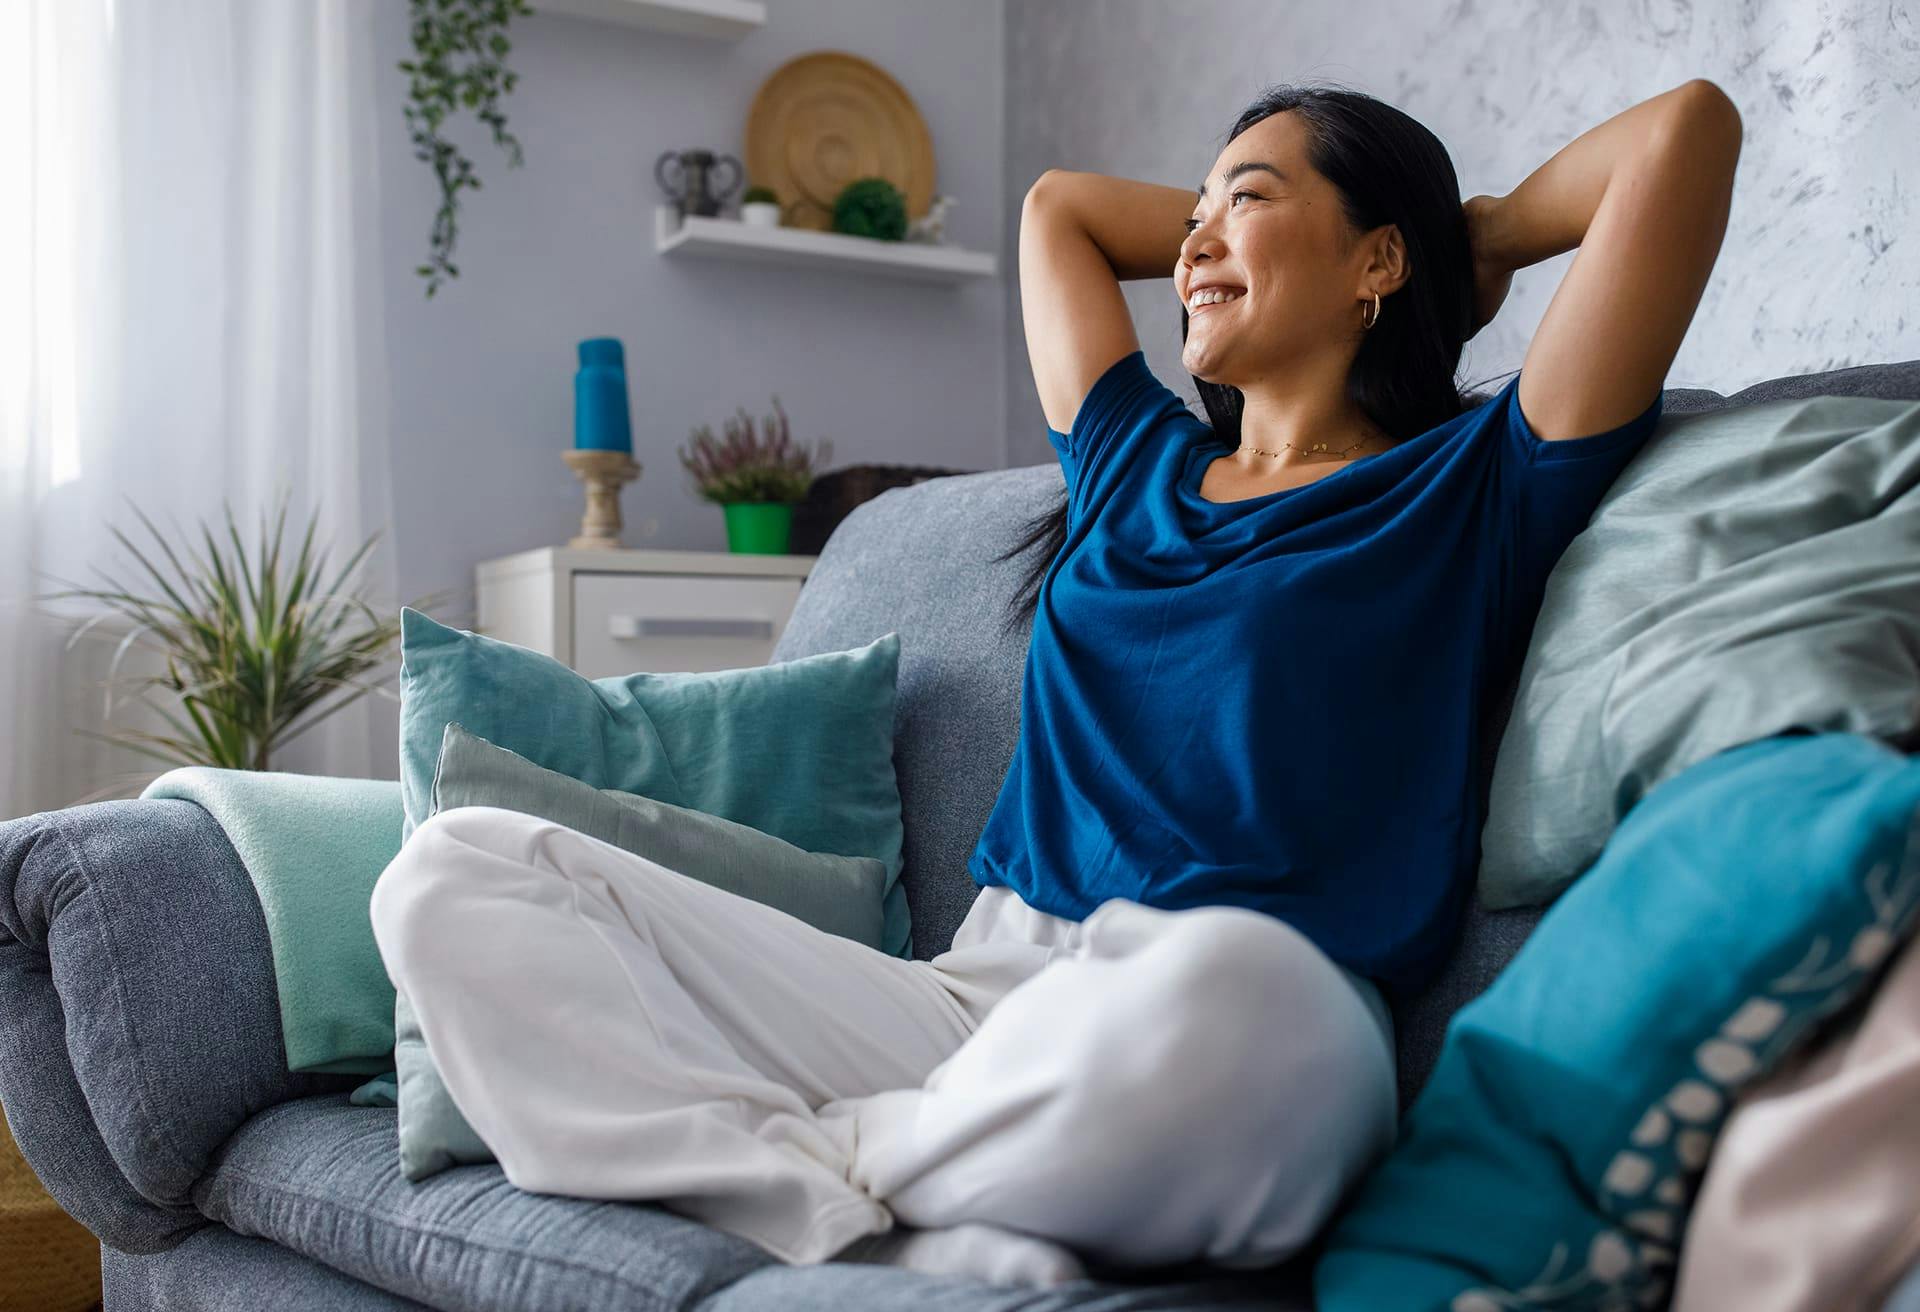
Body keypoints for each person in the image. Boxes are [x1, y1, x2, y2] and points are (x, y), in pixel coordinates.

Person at [370, 78, 1741, 1291]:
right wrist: (1246, 218)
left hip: (1245, 1002)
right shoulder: (1128, 464)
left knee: (1249, 1005)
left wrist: (1466, 234)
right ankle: (885, 1200)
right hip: (980, 997)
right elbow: (1058, 213)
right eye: (1193, 211)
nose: (1195, 242)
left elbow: (1681, 135)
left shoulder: (1476, 484)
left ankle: (847, 1170)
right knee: (455, 873)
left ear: (1377, 257)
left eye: (1246, 200)